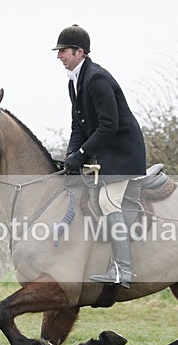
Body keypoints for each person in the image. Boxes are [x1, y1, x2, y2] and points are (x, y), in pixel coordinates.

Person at [53, 24, 147, 288]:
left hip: (122, 153)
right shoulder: (75, 82)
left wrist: (82, 154)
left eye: (63, 51)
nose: (59, 56)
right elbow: (78, 126)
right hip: (103, 151)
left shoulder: (96, 79)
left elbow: (109, 126)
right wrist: (72, 155)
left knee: (108, 202)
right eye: (58, 51)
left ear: (79, 52)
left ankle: (123, 270)